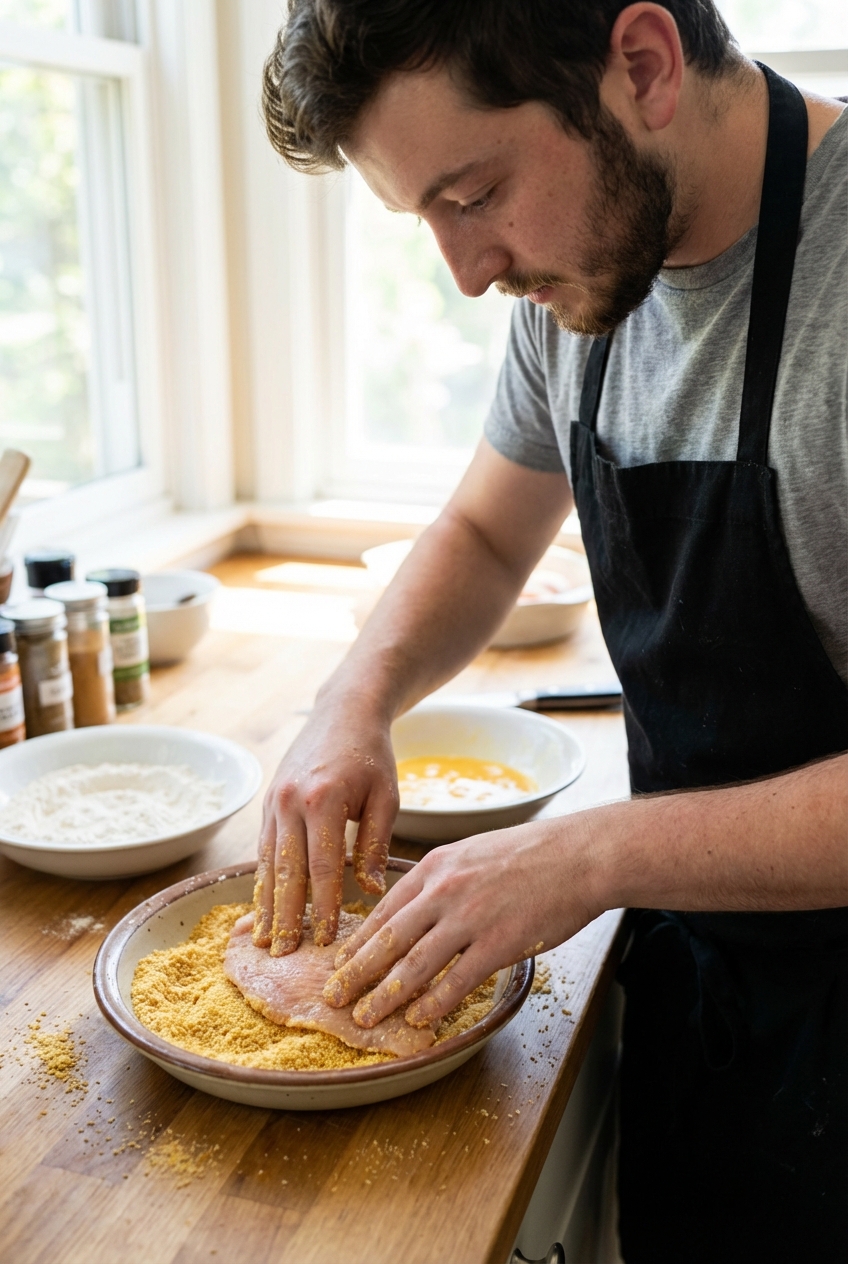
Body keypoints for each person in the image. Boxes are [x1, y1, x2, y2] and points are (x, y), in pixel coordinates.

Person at [256, 3, 848, 1259]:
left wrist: (586, 857)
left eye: (469, 195)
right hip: (704, 981)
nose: (464, 272)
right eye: (424, 215)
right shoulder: (582, 273)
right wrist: (348, 701)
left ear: (638, 67)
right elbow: (482, 533)